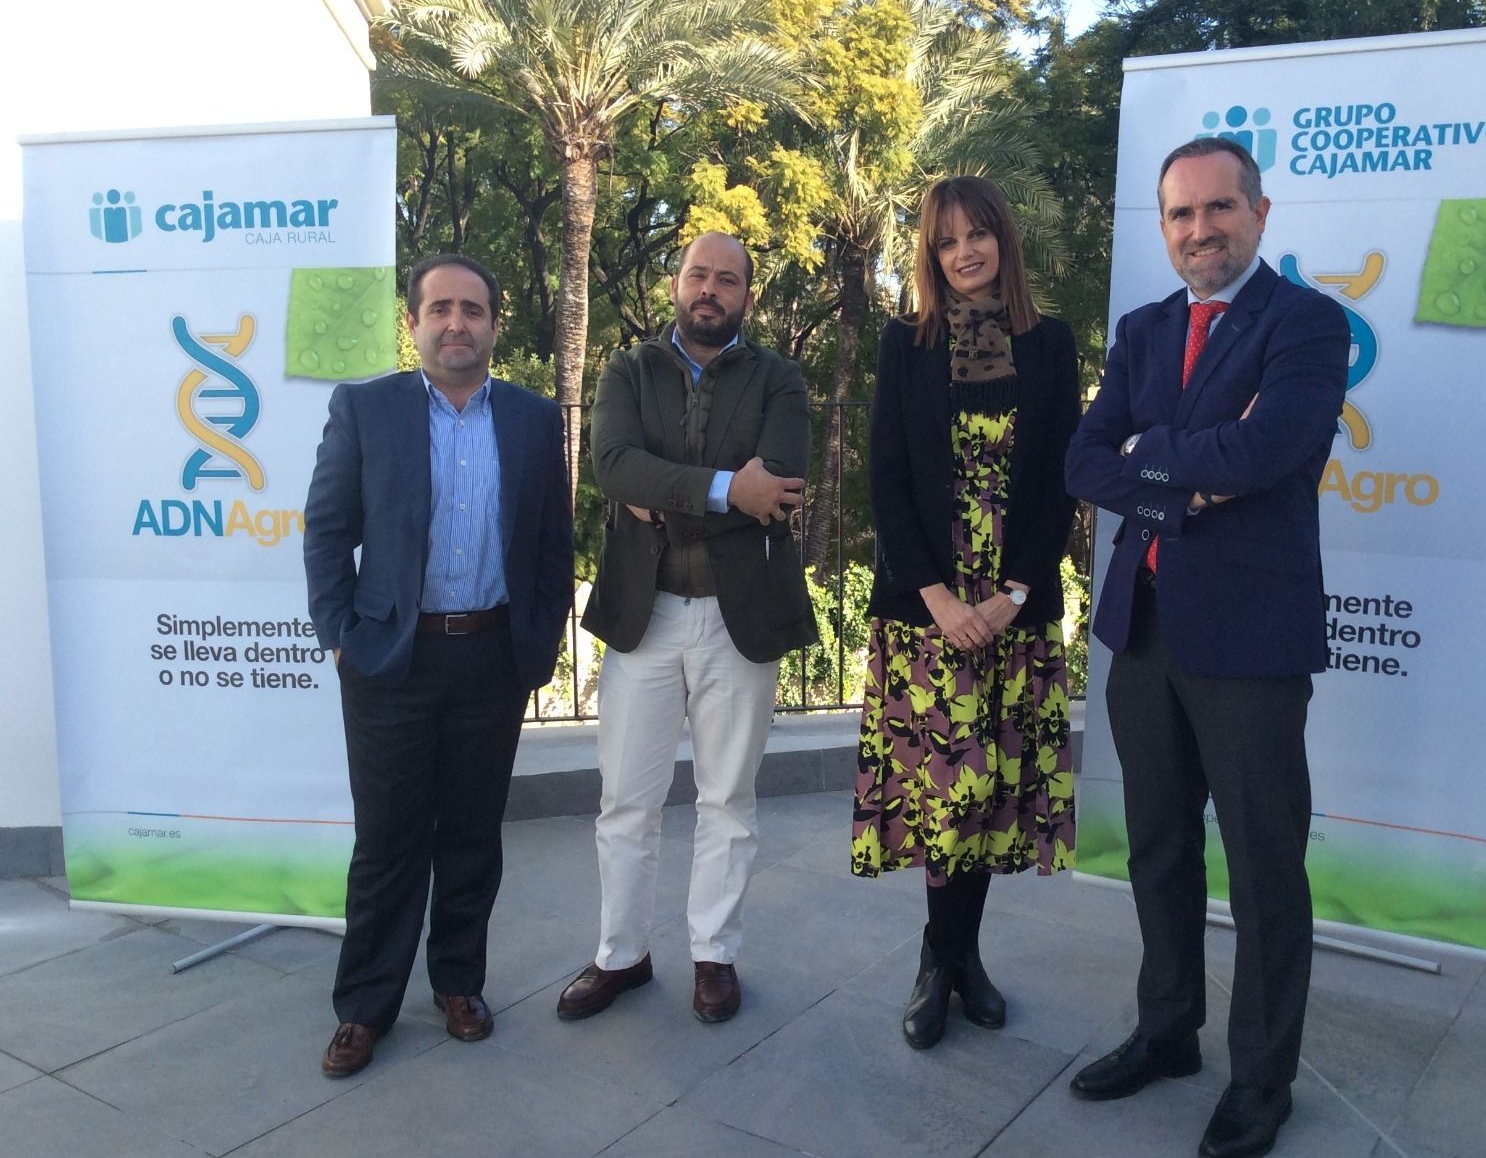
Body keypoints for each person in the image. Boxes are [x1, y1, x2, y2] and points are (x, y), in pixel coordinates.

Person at [1063, 137, 1349, 1158]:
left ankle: (1260, 1080)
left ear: (1259, 214)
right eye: (1180, 214)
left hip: (1250, 642)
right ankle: (1166, 1029)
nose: (1199, 229)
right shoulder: (1141, 333)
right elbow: (1084, 461)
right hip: (1141, 635)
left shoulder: (1306, 323)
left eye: (1219, 208)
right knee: (1159, 848)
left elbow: (1272, 448)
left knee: (1265, 867)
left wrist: (1153, 459)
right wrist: (1183, 474)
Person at [304, 254, 574, 1076]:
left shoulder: (531, 419)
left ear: (495, 323)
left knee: (470, 835)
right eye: (440, 308)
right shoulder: (366, 408)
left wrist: (538, 639)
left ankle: (458, 982)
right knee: (387, 841)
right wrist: (342, 633)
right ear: (413, 321)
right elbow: (325, 529)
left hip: (491, 657)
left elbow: (552, 546)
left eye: (473, 309)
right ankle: (364, 1007)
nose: (456, 322)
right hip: (392, 660)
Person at [559, 231, 817, 1025]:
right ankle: (621, 956)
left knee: (728, 800)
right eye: (699, 274)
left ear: (747, 294)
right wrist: (721, 490)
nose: (711, 289)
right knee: (625, 801)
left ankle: (715, 956)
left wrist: (665, 495)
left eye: (728, 279)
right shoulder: (626, 371)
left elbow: (776, 488)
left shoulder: (780, 379)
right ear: (677, 283)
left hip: (741, 619)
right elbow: (613, 465)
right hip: (647, 615)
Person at [852, 175, 1080, 1050]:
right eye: (948, 239)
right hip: (927, 611)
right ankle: (940, 961)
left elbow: (1064, 475)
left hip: (1014, 606)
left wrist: (1014, 592)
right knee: (947, 795)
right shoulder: (905, 343)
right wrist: (941, 598)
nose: (966, 251)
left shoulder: (1049, 345)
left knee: (991, 795)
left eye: (979, 233)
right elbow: (887, 480)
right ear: (931, 253)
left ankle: (957, 958)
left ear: (1003, 241)